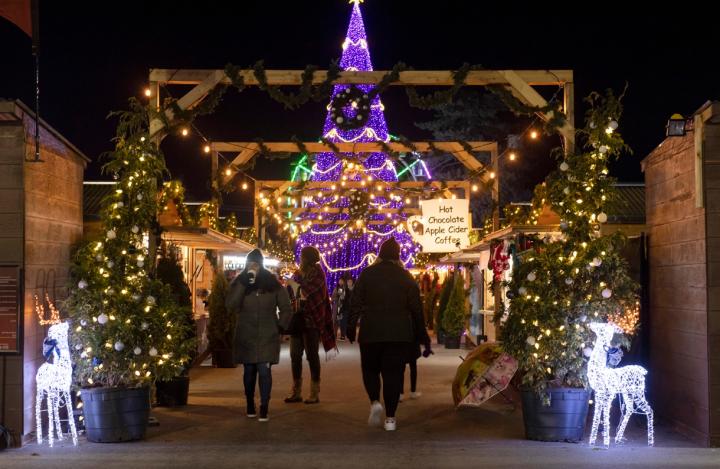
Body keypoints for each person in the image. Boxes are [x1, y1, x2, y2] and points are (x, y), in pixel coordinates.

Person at [347, 237, 432, 432]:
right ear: (397, 256)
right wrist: (422, 337)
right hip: (399, 334)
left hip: (371, 332)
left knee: (370, 370)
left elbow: (355, 304)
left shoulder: (367, 275)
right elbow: (417, 310)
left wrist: (350, 328)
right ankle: (391, 419)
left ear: (380, 255)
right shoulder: (406, 277)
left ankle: (375, 401)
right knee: (393, 374)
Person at [226, 249, 292, 422]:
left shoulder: (273, 283)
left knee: (264, 370)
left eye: (256, 264)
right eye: (251, 263)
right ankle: (249, 403)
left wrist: (280, 326)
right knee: (249, 371)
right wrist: (242, 283)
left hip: (267, 334)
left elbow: (286, 307)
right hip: (246, 334)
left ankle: (264, 406)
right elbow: (231, 305)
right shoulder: (240, 282)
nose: (253, 267)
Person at [284, 246, 336, 404]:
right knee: (294, 356)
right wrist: (292, 287)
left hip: (311, 321)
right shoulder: (298, 274)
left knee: (312, 356)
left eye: (302, 256)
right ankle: (296, 391)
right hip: (297, 319)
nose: (300, 258)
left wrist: (294, 286)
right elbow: (292, 293)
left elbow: (309, 293)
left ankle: (314, 392)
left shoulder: (318, 274)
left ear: (308, 258)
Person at [339, 275, 353, 341]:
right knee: (342, 322)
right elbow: (340, 297)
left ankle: (346, 335)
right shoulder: (342, 288)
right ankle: (343, 335)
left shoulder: (353, 289)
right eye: (348, 282)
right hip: (342, 308)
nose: (349, 283)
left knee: (347, 322)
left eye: (350, 282)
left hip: (349, 308)